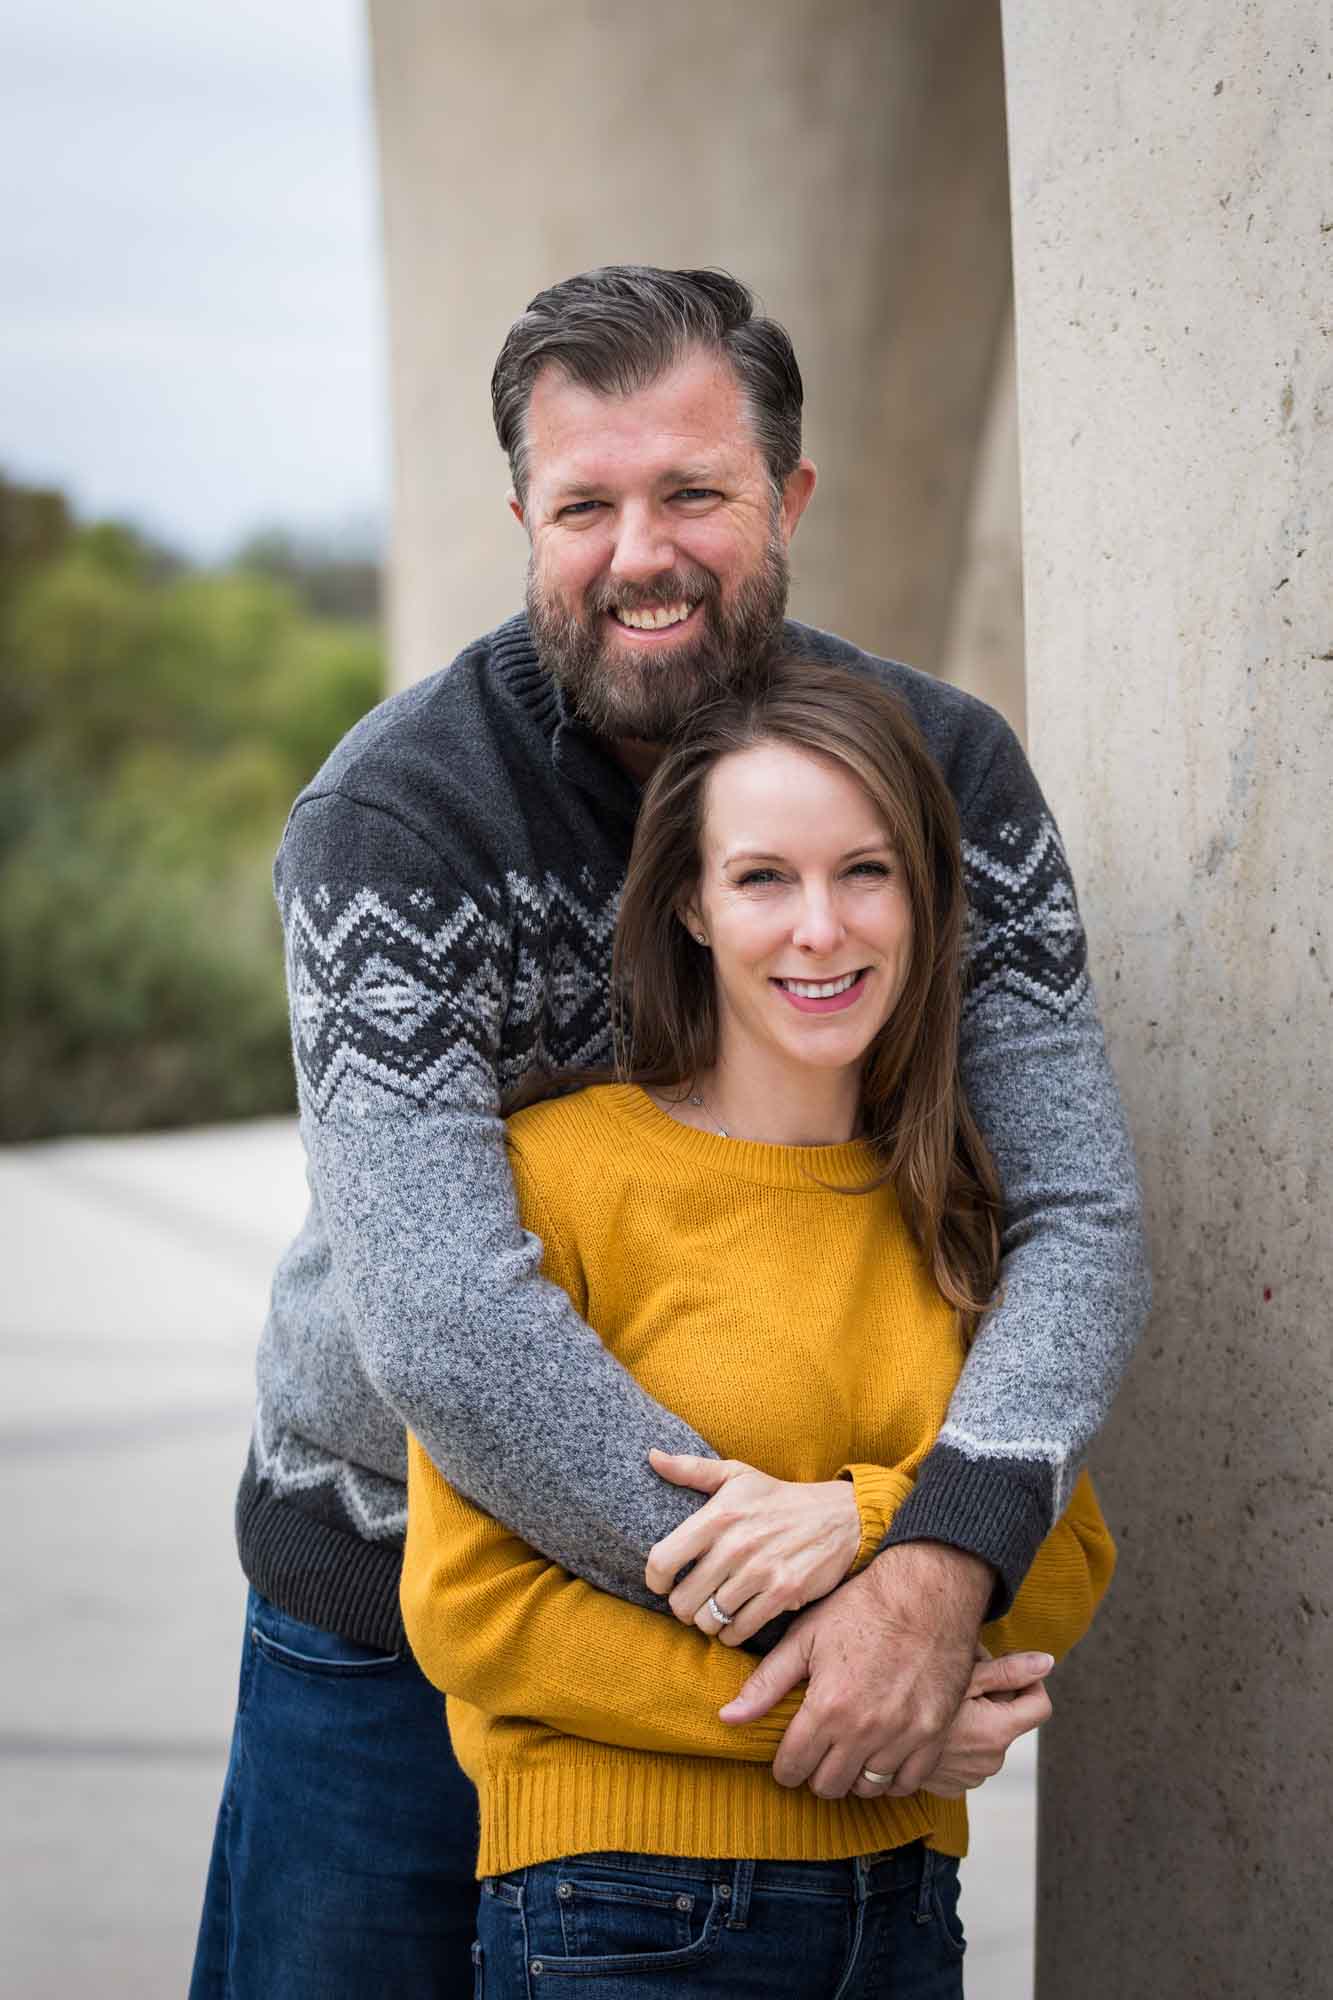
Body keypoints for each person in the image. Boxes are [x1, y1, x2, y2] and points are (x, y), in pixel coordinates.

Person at [189, 267, 1148, 1998]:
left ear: (786, 497)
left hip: (830, 1586)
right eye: (585, 506)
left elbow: (1070, 1206)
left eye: (694, 492)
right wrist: (829, 1613)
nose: (642, 553)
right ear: (522, 520)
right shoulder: (401, 814)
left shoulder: (938, 774)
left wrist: (934, 1555)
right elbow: (446, 1317)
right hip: (396, 1586)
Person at [402, 654, 1116, 1996]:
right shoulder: (560, 1176)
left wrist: (861, 1516)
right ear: (690, 902)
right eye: (763, 878)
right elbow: (469, 1608)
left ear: (925, 896)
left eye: (865, 871)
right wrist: (876, 1712)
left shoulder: (952, 1201)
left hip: (905, 1909)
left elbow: (1070, 1549)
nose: (821, 929)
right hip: (619, 1910)